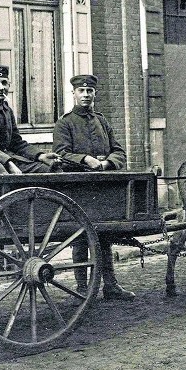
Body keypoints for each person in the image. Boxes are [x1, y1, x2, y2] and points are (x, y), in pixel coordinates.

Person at [52, 74, 134, 300]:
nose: (86, 95)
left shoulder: (101, 121)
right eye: (81, 91)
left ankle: (110, 285)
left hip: (103, 186)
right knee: (79, 237)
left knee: (105, 235)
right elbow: (60, 154)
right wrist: (85, 159)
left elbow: (119, 151)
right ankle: (82, 289)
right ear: (74, 94)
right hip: (77, 187)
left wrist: (108, 163)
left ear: (94, 94)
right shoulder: (65, 123)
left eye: (89, 91)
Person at [0, 65, 59, 174]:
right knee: (0, 171)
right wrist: (8, 162)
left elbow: (16, 142)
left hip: (8, 159)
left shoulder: (6, 109)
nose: (1, 87)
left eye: (4, 83)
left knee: (50, 170)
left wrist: (40, 156)